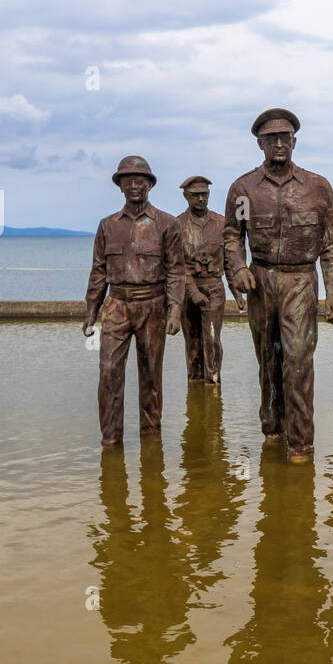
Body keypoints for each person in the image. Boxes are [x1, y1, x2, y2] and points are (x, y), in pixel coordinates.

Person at [223, 108, 333, 462]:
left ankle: (301, 444)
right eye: (271, 138)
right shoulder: (243, 190)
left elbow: (332, 245)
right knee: (269, 360)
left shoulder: (317, 188)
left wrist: (332, 293)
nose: (279, 143)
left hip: (300, 280)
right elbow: (232, 236)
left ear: (294, 141)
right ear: (259, 144)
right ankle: (273, 429)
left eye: (285, 137)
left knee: (298, 360)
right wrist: (239, 267)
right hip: (261, 282)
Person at [82, 156, 184, 447]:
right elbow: (99, 270)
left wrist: (175, 308)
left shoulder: (168, 224)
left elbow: (177, 270)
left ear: (150, 185)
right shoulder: (107, 226)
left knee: (151, 376)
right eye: (128, 180)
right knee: (109, 372)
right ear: (120, 186)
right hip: (116, 305)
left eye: (141, 180)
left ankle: (151, 440)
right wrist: (91, 309)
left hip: (153, 304)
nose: (134, 185)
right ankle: (111, 440)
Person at [176, 175, 228, 386]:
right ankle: (195, 385)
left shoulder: (221, 223)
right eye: (195, 195)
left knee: (212, 338)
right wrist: (193, 292)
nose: (201, 199)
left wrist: (239, 293)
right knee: (193, 341)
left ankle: (213, 384)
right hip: (188, 289)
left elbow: (231, 260)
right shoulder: (177, 225)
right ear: (186, 197)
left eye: (204, 194)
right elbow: (175, 266)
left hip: (214, 286)